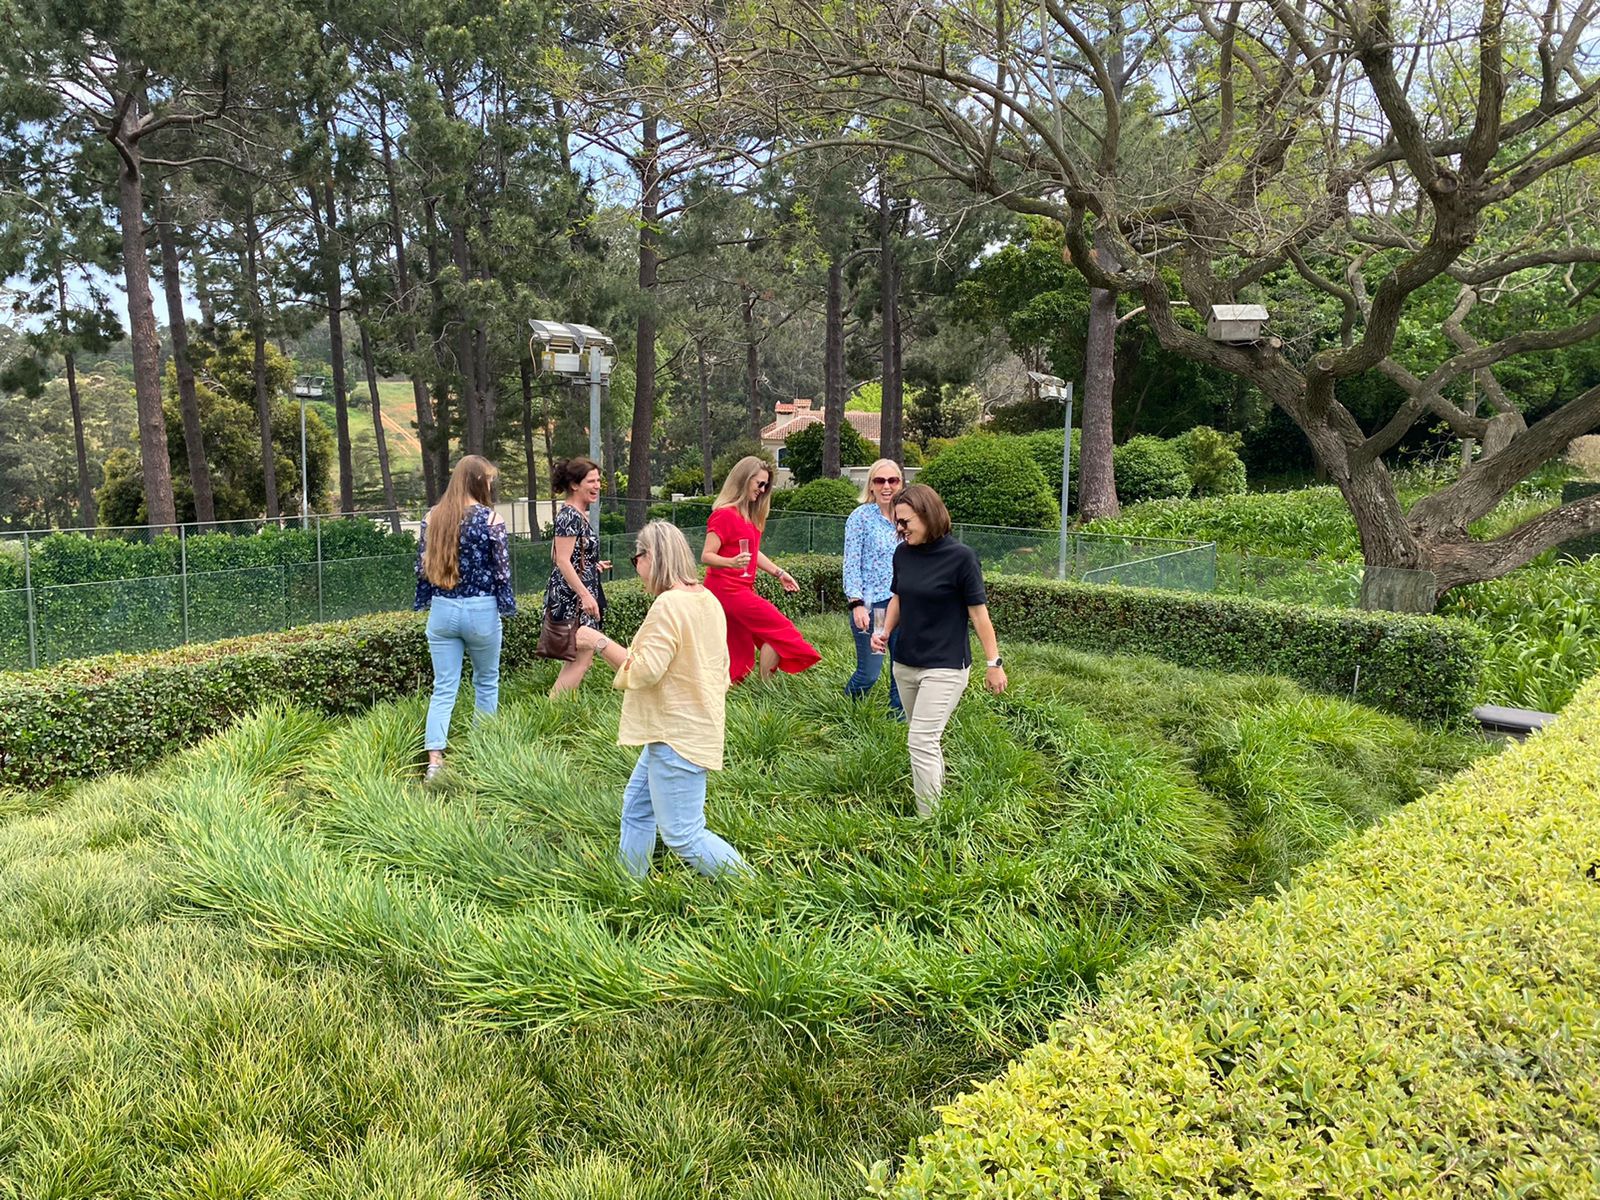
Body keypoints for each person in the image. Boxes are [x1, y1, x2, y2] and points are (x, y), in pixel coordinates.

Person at [577, 521, 748, 878]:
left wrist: (598, 642)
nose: (636, 567)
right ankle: (630, 885)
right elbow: (722, 667)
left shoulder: (668, 605)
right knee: (637, 808)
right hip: (691, 726)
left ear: (652, 556)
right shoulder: (706, 599)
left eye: (636, 558)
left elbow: (644, 671)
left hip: (675, 735)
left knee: (684, 835)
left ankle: (751, 887)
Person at [873, 484, 1007, 816]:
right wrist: (885, 632)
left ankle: (930, 821)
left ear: (928, 515)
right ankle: (935, 802)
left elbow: (979, 615)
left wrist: (994, 663)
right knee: (924, 739)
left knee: (921, 741)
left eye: (906, 522)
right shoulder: (902, 554)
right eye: (897, 522)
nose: (901, 529)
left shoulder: (962, 558)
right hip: (905, 663)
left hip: (945, 666)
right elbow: (898, 597)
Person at [414, 455, 515, 783]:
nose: (491, 483)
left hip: (442, 609)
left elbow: (422, 569)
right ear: (477, 480)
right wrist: (506, 607)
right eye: (488, 478)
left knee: (444, 687)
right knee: (486, 681)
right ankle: (481, 752)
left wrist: (425, 601)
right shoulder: (491, 519)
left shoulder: (432, 517)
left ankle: (434, 762)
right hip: (481, 610)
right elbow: (502, 573)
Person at [701, 455, 821, 684]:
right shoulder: (724, 514)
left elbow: (754, 553)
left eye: (766, 485)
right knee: (779, 631)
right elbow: (706, 555)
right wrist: (731, 562)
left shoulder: (749, 516)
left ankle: (736, 688)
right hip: (727, 591)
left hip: (741, 589)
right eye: (759, 483)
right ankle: (766, 686)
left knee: (739, 644)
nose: (763, 490)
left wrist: (779, 573)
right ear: (744, 480)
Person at [544, 457, 613, 697]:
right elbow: (561, 559)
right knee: (582, 657)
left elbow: (561, 554)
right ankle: (553, 709)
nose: (597, 486)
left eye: (598, 481)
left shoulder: (577, 514)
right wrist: (584, 595)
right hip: (573, 599)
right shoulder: (570, 516)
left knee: (580, 658)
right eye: (591, 481)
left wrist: (591, 566)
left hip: (577, 595)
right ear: (574, 485)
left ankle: (554, 708)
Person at [842, 457, 904, 715]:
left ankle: (898, 718)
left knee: (901, 669)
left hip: (903, 603)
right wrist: (857, 603)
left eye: (892, 480)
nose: (886, 486)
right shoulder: (861, 518)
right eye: (880, 481)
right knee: (870, 672)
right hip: (875, 605)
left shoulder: (907, 516)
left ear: (901, 483)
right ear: (871, 485)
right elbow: (851, 562)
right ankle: (847, 711)